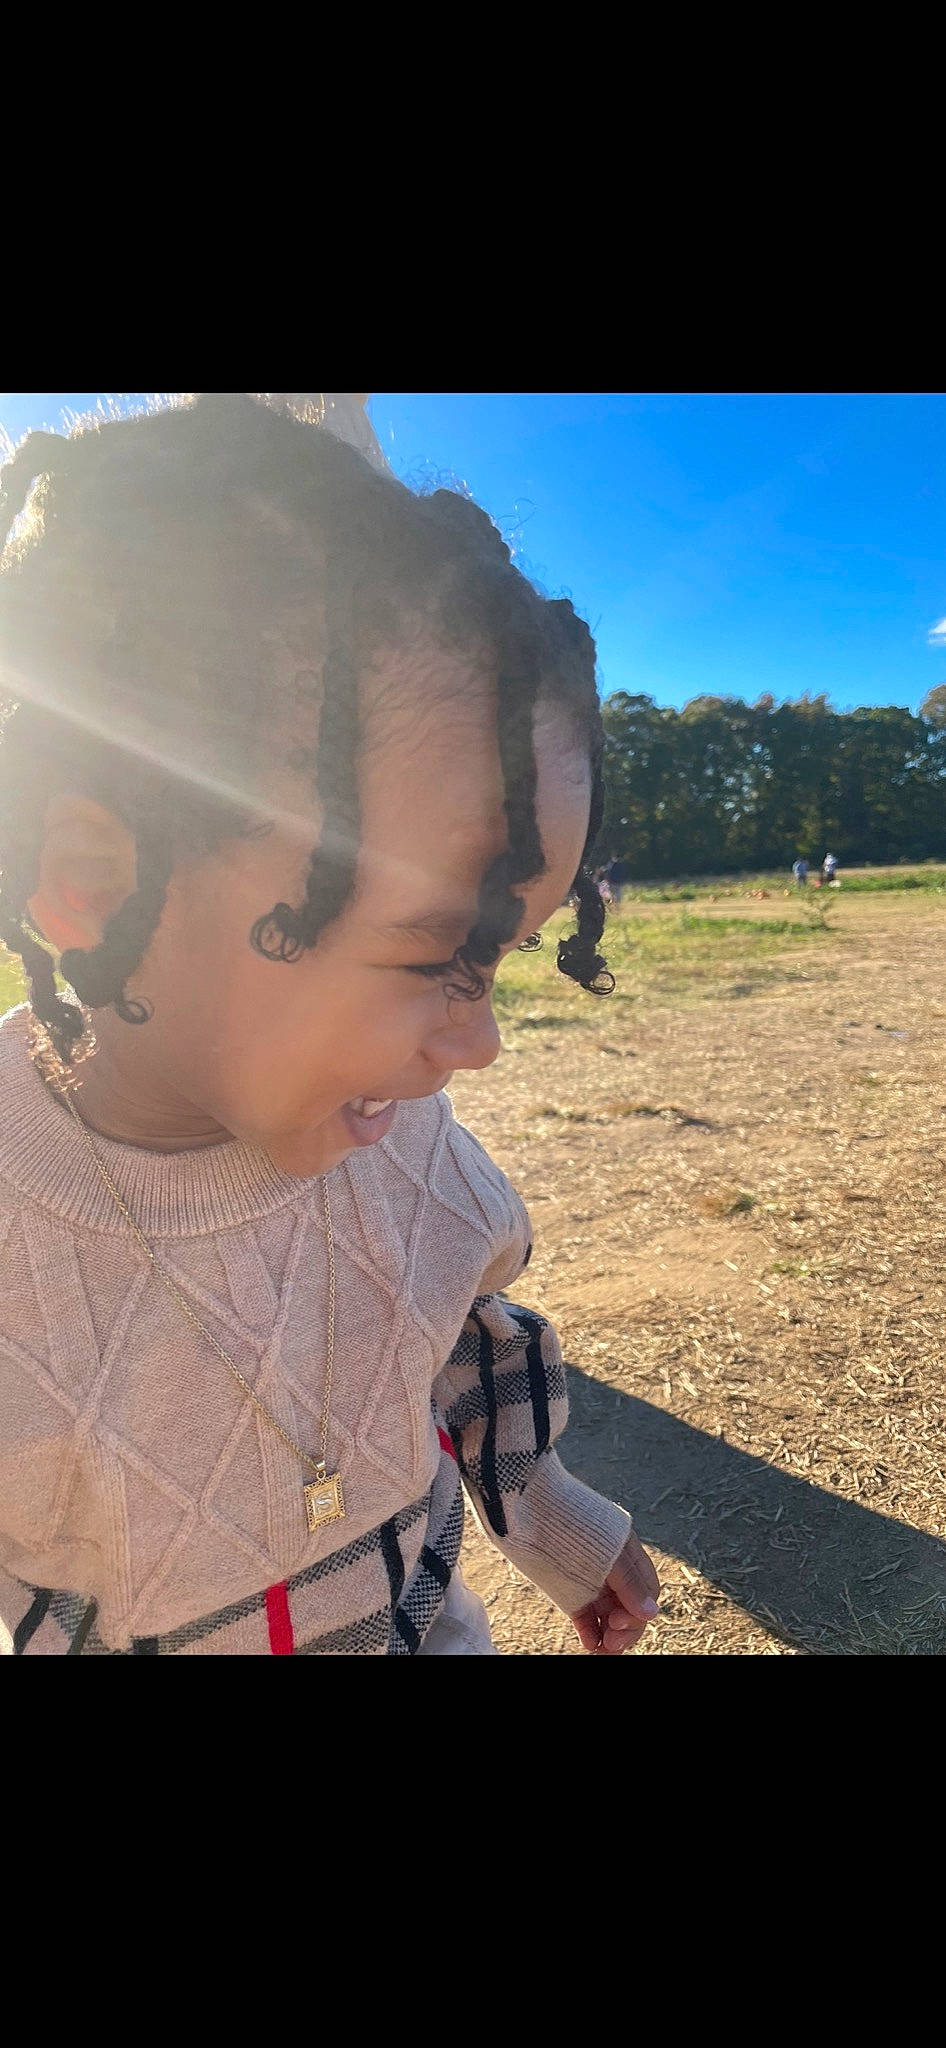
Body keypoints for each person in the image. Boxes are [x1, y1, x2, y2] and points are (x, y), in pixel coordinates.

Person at [0, 393, 660, 1656]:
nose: (476, 1046)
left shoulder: (407, 1152)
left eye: (500, 963)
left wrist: (559, 1515)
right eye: (432, 956)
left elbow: (456, 1340)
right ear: (92, 881)